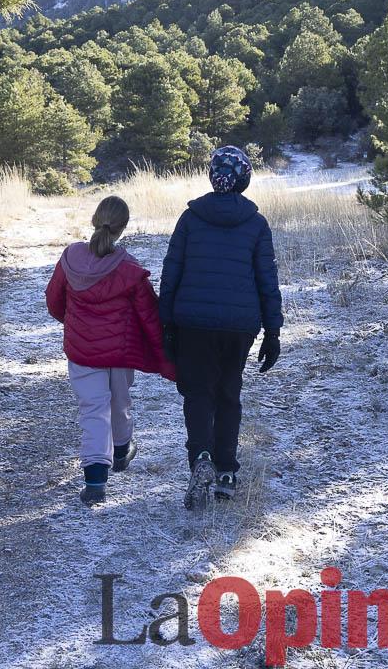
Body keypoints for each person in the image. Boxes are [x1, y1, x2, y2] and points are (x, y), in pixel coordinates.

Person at [159, 145, 283, 510]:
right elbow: (267, 281)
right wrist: (272, 332)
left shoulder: (190, 218)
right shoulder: (256, 224)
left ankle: (201, 457)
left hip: (193, 323)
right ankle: (227, 472)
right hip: (240, 326)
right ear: (245, 180)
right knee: (229, 394)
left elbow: (172, 272)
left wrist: (165, 321)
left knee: (198, 394)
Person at [46, 195, 174, 506]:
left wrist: (76, 324)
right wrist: (166, 355)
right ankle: (120, 450)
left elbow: (53, 301)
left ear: (95, 219)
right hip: (119, 352)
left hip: (82, 352)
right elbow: (150, 317)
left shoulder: (70, 257)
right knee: (119, 401)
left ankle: (95, 481)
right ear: (123, 227)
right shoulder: (130, 270)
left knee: (93, 410)